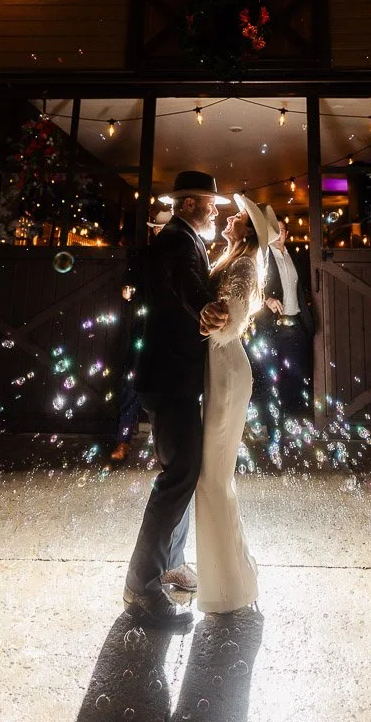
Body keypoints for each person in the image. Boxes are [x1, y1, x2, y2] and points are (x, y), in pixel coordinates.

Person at [123, 171, 229, 630]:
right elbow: (186, 284)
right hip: (170, 378)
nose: (216, 211)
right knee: (178, 475)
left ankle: (170, 564)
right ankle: (141, 587)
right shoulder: (176, 244)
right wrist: (206, 308)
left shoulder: (182, 238)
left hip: (172, 375)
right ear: (188, 205)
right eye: (210, 204)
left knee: (185, 472)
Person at [194, 193, 273, 616]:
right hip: (219, 369)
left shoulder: (244, 265)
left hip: (226, 373)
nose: (229, 219)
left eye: (238, 218)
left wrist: (213, 318)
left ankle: (228, 590)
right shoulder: (232, 257)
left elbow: (232, 317)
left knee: (213, 480)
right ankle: (231, 579)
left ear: (249, 232)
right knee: (213, 480)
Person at [249, 207, 315, 457]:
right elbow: (255, 285)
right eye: (274, 231)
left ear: (286, 233)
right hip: (273, 327)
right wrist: (265, 299)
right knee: (271, 379)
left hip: (295, 325)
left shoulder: (293, 256)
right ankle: (273, 431)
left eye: (282, 231)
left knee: (292, 379)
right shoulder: (263, 257)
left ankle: (287, 424)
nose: (279, 235)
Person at [110, 210, 172, 464]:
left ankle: (165, 446)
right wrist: (128, 287)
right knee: (131, 384)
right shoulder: (143, 256)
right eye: (157, 228)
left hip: (171, 331)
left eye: (164, 228)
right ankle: (123, 440)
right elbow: (130, 278)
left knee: (169, 389)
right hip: (144, 329)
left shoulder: (182, 257)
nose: (160, 232)